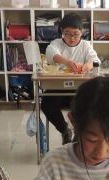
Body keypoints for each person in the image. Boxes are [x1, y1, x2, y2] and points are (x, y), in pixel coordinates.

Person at [42, 13, 100, 145]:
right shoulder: (57, 43)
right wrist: (68, 62)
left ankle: (79, 132)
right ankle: (64, 130)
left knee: (89, 104)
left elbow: (95, 60)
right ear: (62, 32)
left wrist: (88, 65)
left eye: (75, 34)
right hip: (58, 89)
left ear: (82, 32)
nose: (72, 38)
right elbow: (51, 54)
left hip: (80, 90)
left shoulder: (85, 45)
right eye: (67, 34)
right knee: (46, 103)